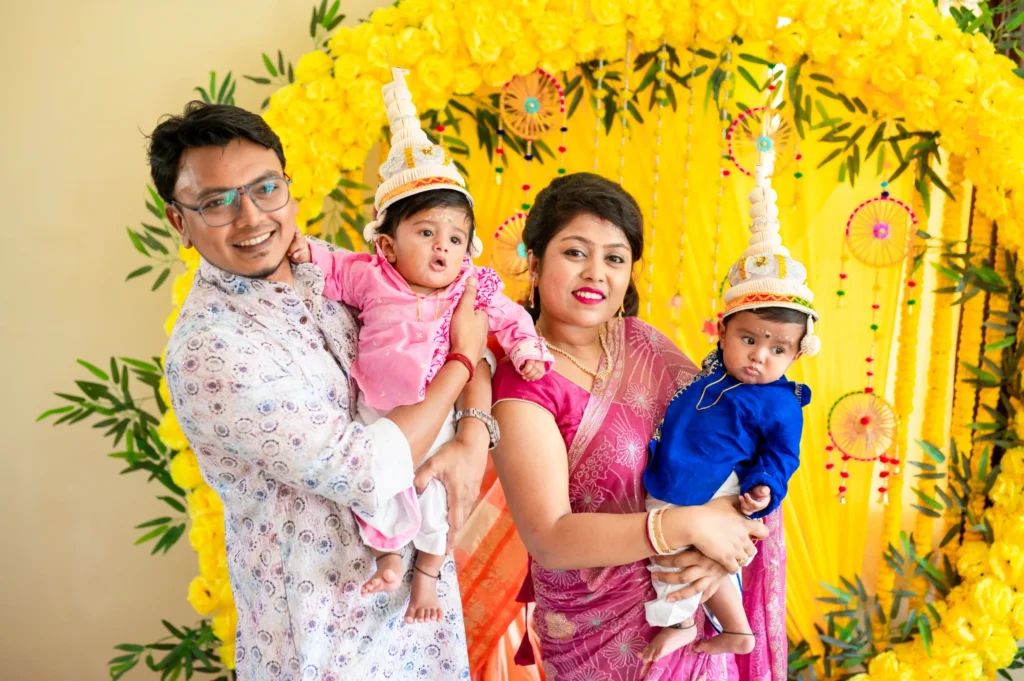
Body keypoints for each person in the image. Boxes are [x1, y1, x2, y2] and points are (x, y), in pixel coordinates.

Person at [153, 100, 491, 680]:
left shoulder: (331, 267)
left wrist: (474, 435)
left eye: (265, 188)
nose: (252, 216)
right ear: (179, 222)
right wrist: (460, 363)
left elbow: (467, 322)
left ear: (289, 188)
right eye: (217, 202)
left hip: (421, 615)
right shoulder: (211, 350)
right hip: (326, 640)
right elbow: (370, 468)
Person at [287, 68, 553, 625]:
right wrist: (300, 248)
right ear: (388, 243)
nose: (443, 247)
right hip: (382, 406)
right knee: (378, 482)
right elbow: (329, 266)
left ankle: (425, 578)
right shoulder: (371, 276)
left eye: (455, 238)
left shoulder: (471, 287)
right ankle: (388, 556)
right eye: (426, 233)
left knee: (435, 489)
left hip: (443, 408)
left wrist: (526, 350)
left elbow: (507, 320)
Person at [488, 172, 773, 681]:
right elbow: (549, 537)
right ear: (533, 262)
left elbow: (736, 438)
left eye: (615, 258)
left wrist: (719, 555)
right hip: (594, 638)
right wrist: (686, 527)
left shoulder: (644, 345)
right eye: (575, 252)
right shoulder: (523, 381)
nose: (595, 273)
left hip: (694, 613)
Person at [641, 114, 820, 664]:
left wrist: (763, 488)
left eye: (777, 349)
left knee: (679, 544)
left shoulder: (780, 402)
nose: (760, 357)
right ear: (723, 332)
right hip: (676, 472)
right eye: (749, 339)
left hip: (719, 487)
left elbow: (781, 457)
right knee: (665, 545)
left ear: (794, 354)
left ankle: (728, 628)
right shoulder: (708, 372)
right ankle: (687, 619)